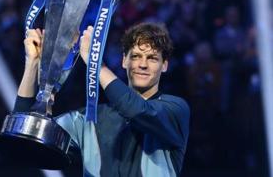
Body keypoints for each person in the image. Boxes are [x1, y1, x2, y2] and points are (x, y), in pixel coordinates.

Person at [14, 22, 190, 177]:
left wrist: (95, 63)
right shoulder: (89, 119)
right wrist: (33, 63)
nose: (142, 64)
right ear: (124, 61)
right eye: (135, 56)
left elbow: (136, 109)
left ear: (164, 65)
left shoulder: (175, 109)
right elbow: (25, 141)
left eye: (152, 58)